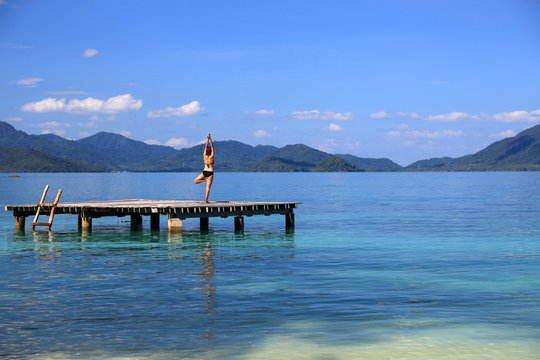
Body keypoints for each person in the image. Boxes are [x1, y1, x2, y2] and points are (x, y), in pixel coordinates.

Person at [194, 133, 214, 203]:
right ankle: (206, 200)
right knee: (208, 188)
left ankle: (205, 180)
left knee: (195, 181)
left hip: (204, 171)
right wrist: (210, 138)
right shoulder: (212, 156)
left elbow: (206, 147)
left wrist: (207, 139)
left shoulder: (204, 156)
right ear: (211, 151)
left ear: (206, 151)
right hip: (210, 173)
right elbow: (212, 146)